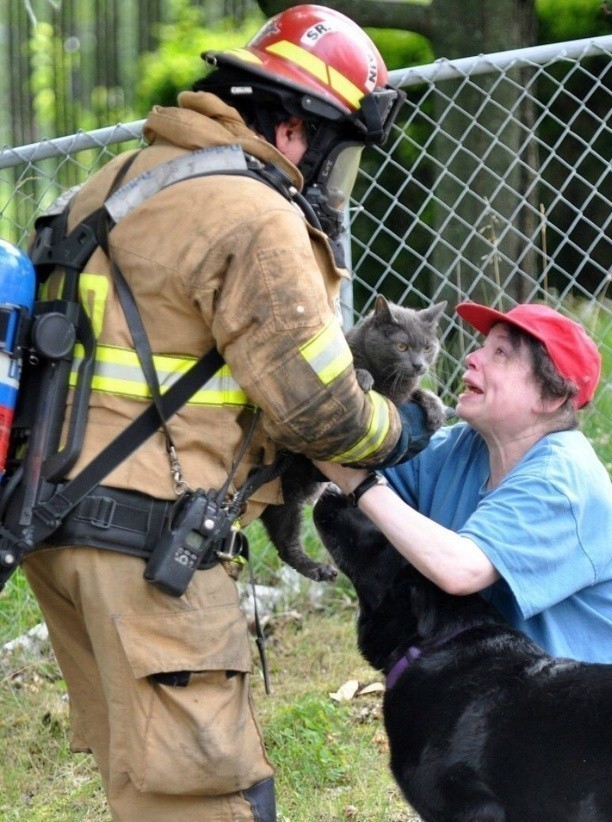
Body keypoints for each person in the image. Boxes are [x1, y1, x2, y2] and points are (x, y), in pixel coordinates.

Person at [17, 6, 433, 820]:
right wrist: (404, 430)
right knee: (211, 795)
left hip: (58, 527)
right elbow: (323, 414)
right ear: (293, 131)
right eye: (337, 151)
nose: (330, 179)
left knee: (147, 784)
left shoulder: (114, 185)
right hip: (146, 542)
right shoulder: (254, 213)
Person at [315, 301, 612, 671]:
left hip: (607, 712)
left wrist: (359, 483)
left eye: (500, 353)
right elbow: (343, 462)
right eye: (483, 346)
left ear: (550, 398)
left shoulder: (561, 479)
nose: (472, 357)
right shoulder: (463, 447)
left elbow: (461, 571)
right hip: (517, 696)